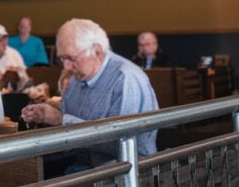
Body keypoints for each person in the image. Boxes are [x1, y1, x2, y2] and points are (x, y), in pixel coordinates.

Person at [22, 19, 158, 171]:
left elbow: (121, 143)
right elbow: (70, 113)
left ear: (97, 51)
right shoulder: (77, 77)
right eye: (62, 58)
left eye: (71, 58)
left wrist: (61, 120)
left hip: (122, 169)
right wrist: (46, 113)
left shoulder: (125, 78)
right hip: (80, 161)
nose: (66, 66)